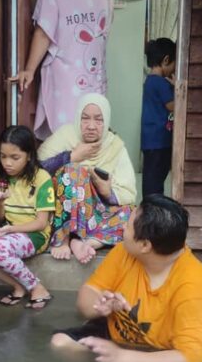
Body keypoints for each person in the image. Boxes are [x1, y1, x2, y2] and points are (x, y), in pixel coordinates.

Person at [51, 195, 202, 362]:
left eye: (128, 226)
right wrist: (99, 306)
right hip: (116, 334)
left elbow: (192, 361)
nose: (123, 226)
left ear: (145, 245)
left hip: (163, 351)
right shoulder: (124, 252)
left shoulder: (195, 287)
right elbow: (87, 294)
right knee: (60, 343)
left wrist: (124, 358)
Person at [18, 0, 114, 139]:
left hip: (94, 77)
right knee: (66, 137)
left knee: (93, 133)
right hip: (64, 79)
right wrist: (29, 70)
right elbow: (43, 33)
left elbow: (104, 29)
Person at [38, 93, 136, 264]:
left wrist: (108, 192)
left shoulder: (115, 145)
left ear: (106, 122)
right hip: (61, 212)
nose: (91, 126)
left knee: (132, 215)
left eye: (98, 120)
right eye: (85, 119)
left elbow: (128, 192)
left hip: (96, 214)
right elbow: (37, 169)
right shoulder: (66, 135)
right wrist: (72, 156)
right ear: (77, 118)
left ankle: (85, 242)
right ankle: (64, 239)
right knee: (73, 172)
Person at [0, 125, 54, 310]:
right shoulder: (0, 175)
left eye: (15, 157)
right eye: (3, 156)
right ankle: (17, 286)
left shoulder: (41, 178)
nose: (8, 163)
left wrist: (10, 229)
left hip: (35, 235)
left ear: (29, 155)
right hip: (8, 232)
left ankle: (37, 288)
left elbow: (41, 223)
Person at [141, 38, 176, 197]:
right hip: (159, 140)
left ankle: (151, 206)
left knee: (151, 178)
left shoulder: (149, 81)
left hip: (151, 140)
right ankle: (153, 209)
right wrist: (178, 88)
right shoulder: (161, 83)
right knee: (155, 182)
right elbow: (173, 106)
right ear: (166, 60)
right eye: (174, 64)